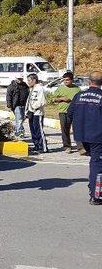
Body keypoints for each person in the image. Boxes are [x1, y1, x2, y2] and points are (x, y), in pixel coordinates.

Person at [67, 71, 102, 206]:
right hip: (97, 136)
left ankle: (93, 187)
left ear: (89, 82)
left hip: (82, 136)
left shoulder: (79, 96)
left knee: (94, 163)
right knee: (97, 165)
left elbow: (69, 114)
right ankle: (96, 195)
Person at [52, 72, 82, 153]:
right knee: (65, 129)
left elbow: (80, 100)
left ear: (72, 80)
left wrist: (71, 100)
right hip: (63, 111)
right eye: (64, 80)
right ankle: (67, 146)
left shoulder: (77, 89)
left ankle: (80, 147)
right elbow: (53, 99)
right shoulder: (60, 88)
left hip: (75, 112)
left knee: (77, 129)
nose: (66, 81)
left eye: (67, 80)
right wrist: (62, 99)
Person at [25, 74, 47, 153]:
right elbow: (29, 101)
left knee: (39, 131)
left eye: (29, 80)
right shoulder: (32, 89)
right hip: (31, 113)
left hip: (37, 113)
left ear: (34, 80)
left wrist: (33, 109)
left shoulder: (40, 88)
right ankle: (36, 145)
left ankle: (43, 147)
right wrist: (27, 111)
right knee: (33, 130)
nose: (28, 82)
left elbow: (42, 101)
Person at [6, 75, 30, 139]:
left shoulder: (25, 85)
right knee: (19, 120)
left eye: (21, 79)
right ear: (16, 78)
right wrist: (9, 105)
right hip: (16, 106)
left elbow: (28, 93)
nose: (20, 80)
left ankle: (19, 132)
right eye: (19, 79)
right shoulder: (11, 86)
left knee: (22, 119)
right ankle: (19, 134)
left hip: (25, 105)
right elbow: (8, 96)